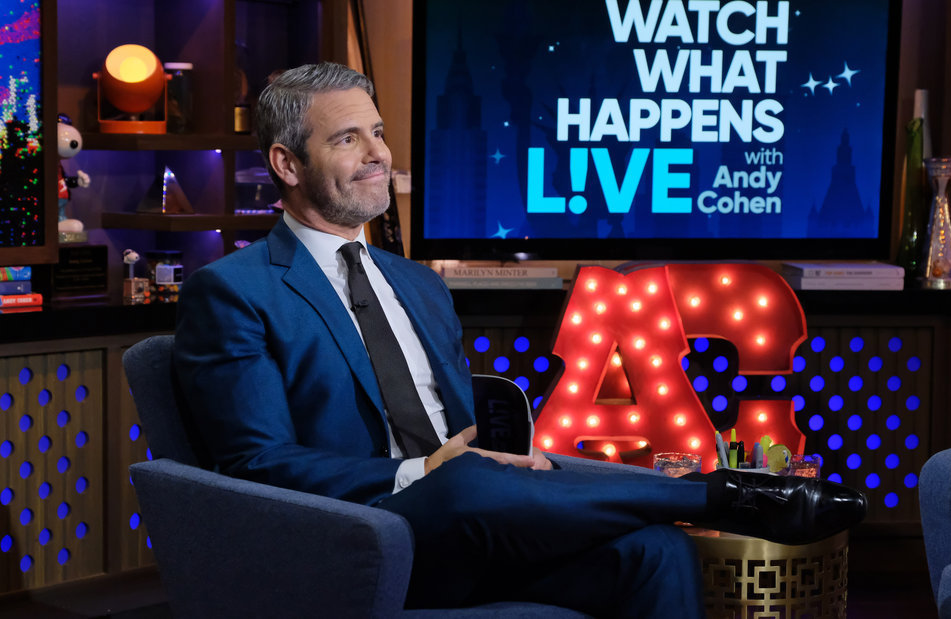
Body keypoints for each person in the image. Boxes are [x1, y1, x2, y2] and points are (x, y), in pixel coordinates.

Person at [174, 62, 867, 617]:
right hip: (359, 537)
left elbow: (461, 429)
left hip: (478, 526)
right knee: (465, 475)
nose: (378, 153)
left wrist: (506, 463)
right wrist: (423, 472)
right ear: (287, 164)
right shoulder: (234, 290)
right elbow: (257, 464)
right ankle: (724, 497)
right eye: (347, 139)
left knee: (658, 551)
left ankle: (702, 501)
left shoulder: (419, 284)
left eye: (377, 132)